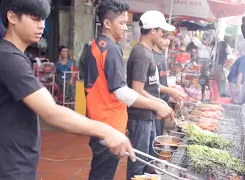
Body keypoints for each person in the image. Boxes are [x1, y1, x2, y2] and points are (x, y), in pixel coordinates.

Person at [0, 1, 136, 179]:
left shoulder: (16, 56)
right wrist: (106, 130)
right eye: (35, 18)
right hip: (11, 165)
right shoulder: (8, 58)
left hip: (18, 159)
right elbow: (52, 112)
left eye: (43, 19)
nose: (41, 25)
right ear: (12, 17)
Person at [83, 1, 173, 180]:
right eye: (122, 23)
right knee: (103, 174)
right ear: (107, 24)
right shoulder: (111, 49)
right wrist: (156, 105)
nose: (126, 28)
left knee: (100, 173)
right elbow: (121, 92)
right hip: (108, 124)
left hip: (98, 121)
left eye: (127, 23)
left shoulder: (94, 45)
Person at [126, 10, 185, 179]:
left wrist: (161, 103)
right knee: (137, 163)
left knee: (146, 161)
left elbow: (150, 86)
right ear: (152, 30)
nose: (162, 34)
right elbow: (136, 90)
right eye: (160, 30)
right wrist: (159, 104)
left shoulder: (147, 52)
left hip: (147, 115)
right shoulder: (141, 53)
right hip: (140, 116)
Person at [152, 32, 185, 136]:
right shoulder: (150, 56)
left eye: (169, 39)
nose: (167, 41)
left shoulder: (161, 55)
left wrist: (174, 94)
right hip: (153, 106)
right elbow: (150, 85)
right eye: (164, 37)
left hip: (162, 104)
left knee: (158, 136)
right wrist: (171, 91)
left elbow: (162, 81)